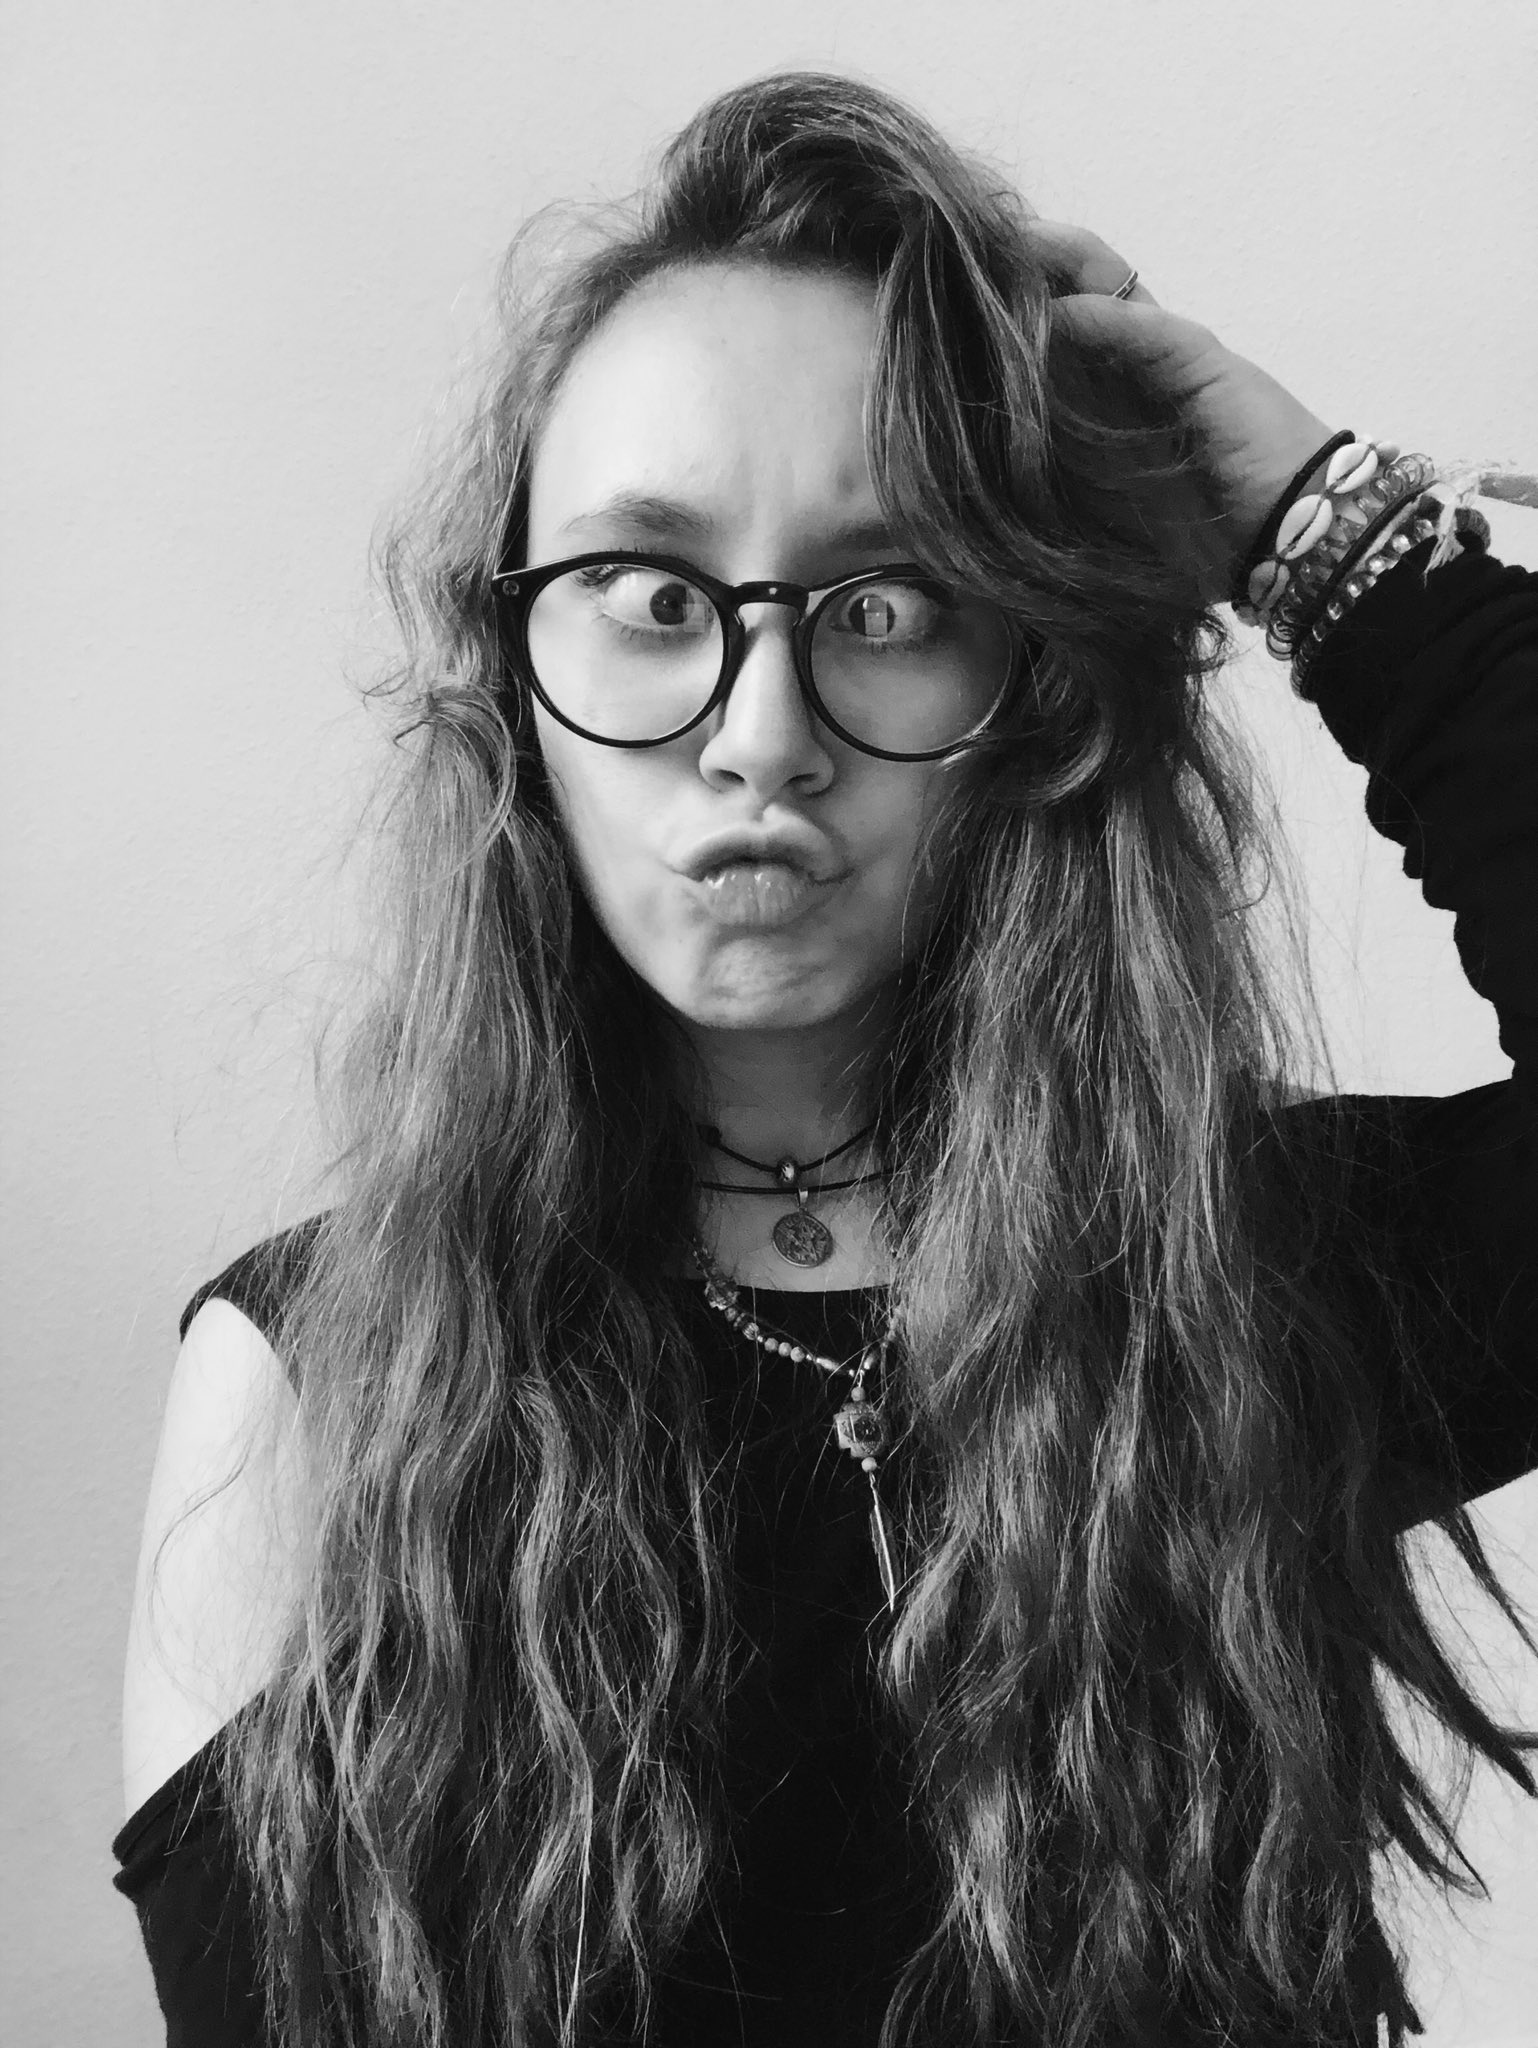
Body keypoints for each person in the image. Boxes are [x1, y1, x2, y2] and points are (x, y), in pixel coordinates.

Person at [115, 70, 1538, 2048]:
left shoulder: (1246, 1285)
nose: (761, 732)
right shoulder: (318, 1389)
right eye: (648, 595)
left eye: (884, 603)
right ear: (514, 679)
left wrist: (1326, 531)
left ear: (1023, 688)